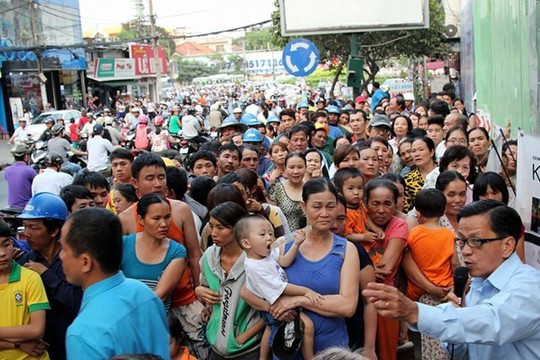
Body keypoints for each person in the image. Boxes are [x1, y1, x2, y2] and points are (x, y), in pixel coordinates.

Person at [363, 200, 540, 360]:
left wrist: (416, 312)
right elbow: (464, 348)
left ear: (507, 245)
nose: (465, 251)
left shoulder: (530, 286)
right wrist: (455, 322)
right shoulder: (477, 284)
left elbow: (491, 323)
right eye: (461, 241)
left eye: (476, 241)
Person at [118, 153, 206, 358]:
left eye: (161, 177)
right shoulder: (124, 219)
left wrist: (201, 291)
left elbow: (194, 255)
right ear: (135, 183)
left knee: (200, 348)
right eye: (150, 178)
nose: (157, 183)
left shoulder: (181, 210)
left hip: (186, 300)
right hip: (145, 309)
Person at [261, 178, 360, 355]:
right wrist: (273, 307)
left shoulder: (346, 249)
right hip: (288, 346)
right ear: (303, 206)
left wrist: (299, 300)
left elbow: (347, 305)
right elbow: (254, 286)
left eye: (330, 206)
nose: (324, 213)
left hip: (331, 349)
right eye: (317, 206)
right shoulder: (284, 244)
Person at [60, 208, 170, 359]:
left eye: (64, 249)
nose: (61, 256)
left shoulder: (83, 333)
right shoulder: (144, 293)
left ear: (86, 262)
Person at [237, 215, 319, 360]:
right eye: (262, 234)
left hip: (272, 303)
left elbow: (284, 261)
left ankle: (263, 358)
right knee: (307, 325)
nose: (269, 237)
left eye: (270, 233)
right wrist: (306, 291)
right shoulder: (256, 267)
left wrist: (296, 244)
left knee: (269, 328)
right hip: (275, 303)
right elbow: (282, 288)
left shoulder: (264, 255)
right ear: (246, 243)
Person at [17, 193, 83, 360]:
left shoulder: (75, 260)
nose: (26, 234)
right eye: (25, 227)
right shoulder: (24, 262)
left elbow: (77, 303)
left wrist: (46, 275)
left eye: (33, 228)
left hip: (72, 346)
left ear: (54, 230)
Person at [195, 202, 263, 359]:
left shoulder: (256, 260)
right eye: (211, 226)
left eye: (220, 227)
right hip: (216, 344)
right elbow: (205, 286)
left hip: (249, 349)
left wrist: (242, 338)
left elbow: (271, 307)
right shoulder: (208, 256)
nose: (213, 233)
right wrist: (205, 300)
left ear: (238, 228)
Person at [405, 189, 459, 360]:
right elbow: (456, 264)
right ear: (443, 211)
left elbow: (407, 260)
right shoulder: (449, 235)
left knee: (429, 339)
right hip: (446, 292)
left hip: (423, 294)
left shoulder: (413, 234)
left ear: (418, 213)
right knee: (447, 338)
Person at [363, 179, 409, 360]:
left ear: (396, 204)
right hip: (358, 299)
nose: (381, 210)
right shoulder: (357, 222)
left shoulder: (399, 224)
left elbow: (385, 269)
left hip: (385, 299)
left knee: (385, 354)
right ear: (366, 203)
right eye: (375, 204)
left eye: (387, 204)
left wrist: (360, 272)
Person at [121, 194, 187, 310]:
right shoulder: (123, 244)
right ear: (141, 219)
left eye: (167, 217)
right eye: (156, 218)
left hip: (155, 321)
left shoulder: (176, 252)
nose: (164, 224)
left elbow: (160, 295)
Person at [0, 220, 50, 360]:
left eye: (6, 244)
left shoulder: (30, 278)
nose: (2, 253)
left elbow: (37, 329)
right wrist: (18, 344)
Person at [267, 152, 307, 231]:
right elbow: (271, 218)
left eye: (300, 167)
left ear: (305, 167)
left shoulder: (312, 188)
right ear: (285, 168)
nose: (296, 171)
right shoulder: (276, 189)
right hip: (284, 239)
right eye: (291, 167)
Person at [403, 137, 438, 212]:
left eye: (421, 150)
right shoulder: (408, 179)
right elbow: (407, 208)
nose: (417, 154)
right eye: (413, 151)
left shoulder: (443, 172)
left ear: (432, 152)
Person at [5, 143, 36, 208]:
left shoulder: (7, 170)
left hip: (11, 206)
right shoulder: (30, 171)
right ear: (26, 157)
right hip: (27, 207)